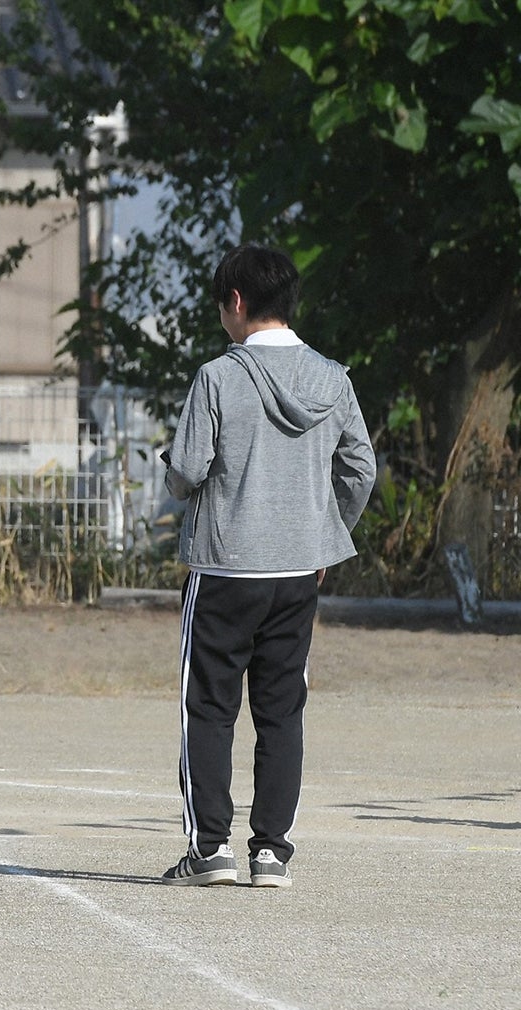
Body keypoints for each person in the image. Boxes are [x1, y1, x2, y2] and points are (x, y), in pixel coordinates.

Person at [160, 244, 376, 889]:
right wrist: (323, 535)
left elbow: (187, 473)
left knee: (210, 707)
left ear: (235, 302)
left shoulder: (218, 377)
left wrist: (168, 462)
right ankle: (271, 853)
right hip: (296, 572)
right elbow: (360, 469)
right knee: (282, 710)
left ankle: (210, 849)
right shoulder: (332, 378)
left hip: (225, 567)